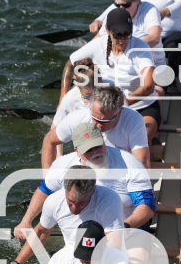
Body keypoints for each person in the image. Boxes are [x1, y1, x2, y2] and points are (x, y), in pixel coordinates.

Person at [15, 122, 155, 240]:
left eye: (98, 146)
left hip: (124, 231)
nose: (95, 152)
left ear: (103, 140)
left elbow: (147, 207)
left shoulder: (129, 164)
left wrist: (122, 228)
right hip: (83, 235)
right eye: (88, 150)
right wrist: (26, 221)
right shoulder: (62, 165)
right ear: (77, 151)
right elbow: (44, 191)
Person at [58, 9, 160, 159]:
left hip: (142, 108)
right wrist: (62, 98)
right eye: (117, 35)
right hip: (107, 110)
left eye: (126, 34)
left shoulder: (141, 47)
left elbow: (149, 86)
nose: (122, 40)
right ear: (107, 30)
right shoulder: (97, 45)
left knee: (138, 139)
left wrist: (122, 103)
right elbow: (70, 64)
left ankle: (148, 156)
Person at [0, 166, 124, 264]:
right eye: (71, 201)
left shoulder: (109, 199)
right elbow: (41, 233)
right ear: (65, 189)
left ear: (93, 192)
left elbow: (114, 245)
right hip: (72, 263)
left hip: (101, 261)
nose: (75, 208)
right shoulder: (53, 202)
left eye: (81, 202)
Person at [90, 0, 165, 71]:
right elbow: (95, 42)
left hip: (153, 67)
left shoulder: (149, 10)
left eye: (126, 5)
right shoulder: (114, 13)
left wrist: (126, 48)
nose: (121, 8)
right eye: (117, 5)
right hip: (121, 68)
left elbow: (155, 37)